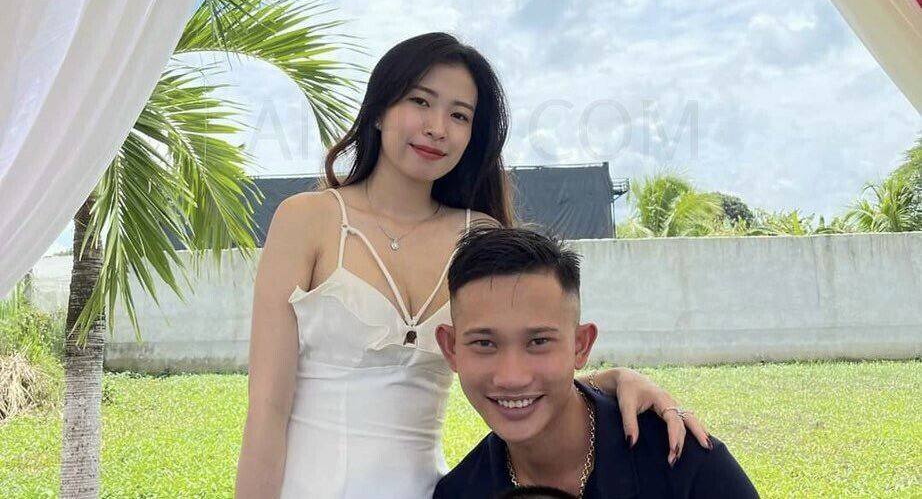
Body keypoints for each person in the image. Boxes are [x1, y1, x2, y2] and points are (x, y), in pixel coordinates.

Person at [235, 32, 711, 499]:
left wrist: (617, 379)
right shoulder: (307, 220)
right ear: (379, 110)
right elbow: (267, 411)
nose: (437, 127)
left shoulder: (480, 234)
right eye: (420, 102)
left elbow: (516, 376)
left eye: (459, 115)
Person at [434, 225, 760, 499]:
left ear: (581, 345)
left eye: (539, 342)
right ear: (451, 349)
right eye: (484, 343)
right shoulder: (460, 492)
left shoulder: (680, 459)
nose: (512, 377)